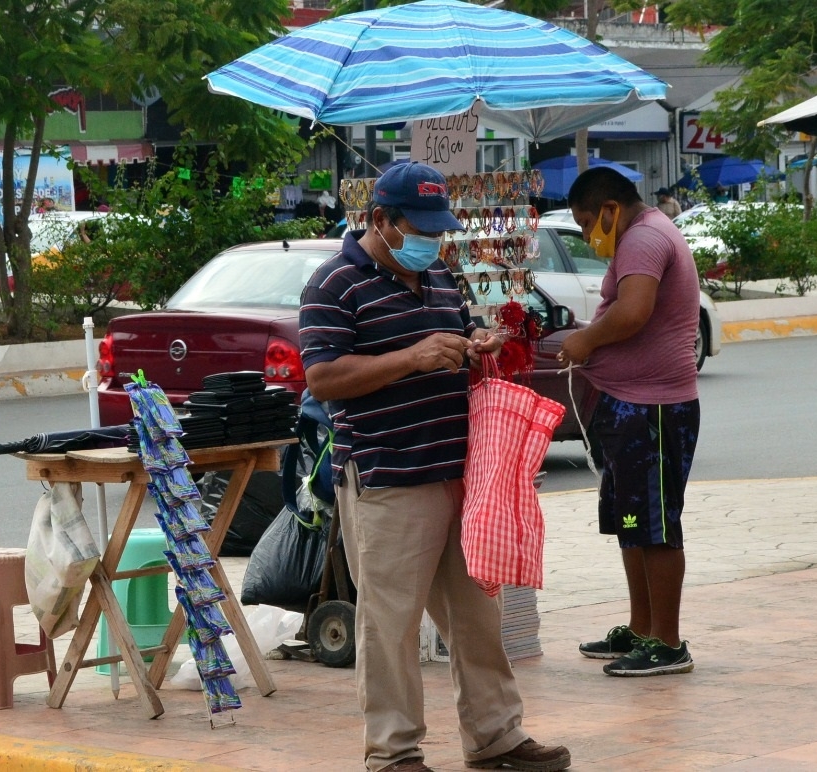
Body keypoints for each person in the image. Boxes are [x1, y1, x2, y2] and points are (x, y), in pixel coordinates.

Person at [298, 161, 571, 772]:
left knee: (479, 615)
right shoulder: (334, 283)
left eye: (436, 229)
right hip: (389, 476)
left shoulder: (443, 276)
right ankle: (393, 754)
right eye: (417, 228)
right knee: (388, 625)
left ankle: (497, 736)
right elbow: (324, 379)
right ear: (380, 221)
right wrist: (412, 357)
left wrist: (476, 348)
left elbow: (449, 348)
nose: (431, 240)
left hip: (458, 474)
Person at [556, 167, 700, 678]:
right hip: (629, 405)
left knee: (656, 527)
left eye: (589, 220)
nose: (590, 232)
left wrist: (588, 341)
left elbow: (634, 312)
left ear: (612, 209)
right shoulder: (641, 237)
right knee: (633, 523)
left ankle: (667, 640)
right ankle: (643, 627)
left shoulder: (643, 239)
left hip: (653, 410)